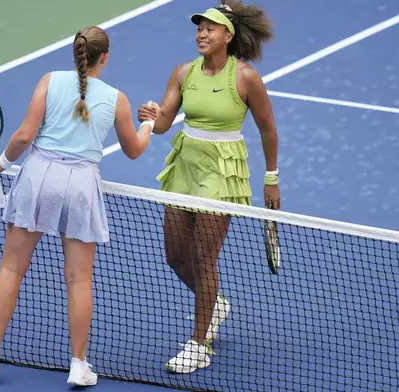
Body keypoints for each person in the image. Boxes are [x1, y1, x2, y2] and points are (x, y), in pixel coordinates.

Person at [0, 26, 160, 386]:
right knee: (79, 279)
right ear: (105, 57)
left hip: (38, 176)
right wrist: (148, 124)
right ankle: (78, 365)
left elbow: (26, 135)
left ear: (75, 53)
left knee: (11, 269)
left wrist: (3, 163)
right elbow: (135, 149)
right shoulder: (117, 99)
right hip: (81, 186)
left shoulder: (49, 80)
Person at [138, 1, 280, 374]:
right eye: (199, 28)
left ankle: (198, 344)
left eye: (210, 28)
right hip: (185, 164)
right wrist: (153, 118)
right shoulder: (184, 73)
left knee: (204, 259)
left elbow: (268, 128)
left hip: (223, 170)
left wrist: (271, 178)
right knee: (175, 256)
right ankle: (214, 304)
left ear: (227, 37)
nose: (202, 33)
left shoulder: (246, 77)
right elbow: (167, 122)